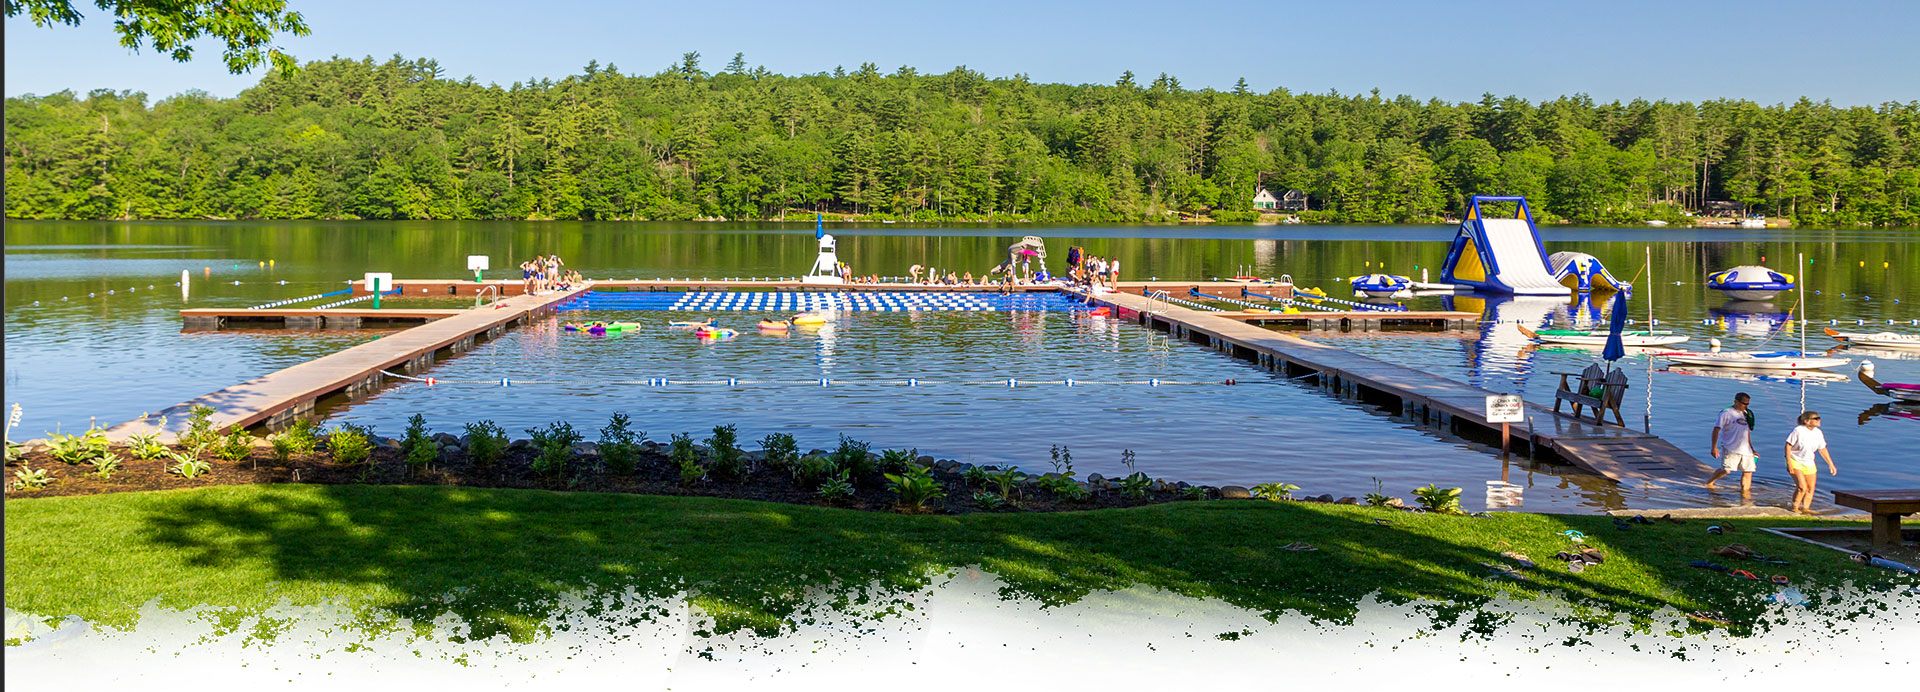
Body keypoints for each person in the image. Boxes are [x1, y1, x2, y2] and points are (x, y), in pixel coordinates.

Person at [1705, 392, 1757, 494]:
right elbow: (1716, 430)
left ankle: (1745, 494)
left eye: (1747, 404)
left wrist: (1752, 449)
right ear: (1736, 402)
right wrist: (1714, 447)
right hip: (1731, 447)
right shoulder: (1726, 413)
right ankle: (1710, 482)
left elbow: (1747, 432)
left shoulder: (1747, 414)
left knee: (1748, 472)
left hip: (1746, 449)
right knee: (1727, 470)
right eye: (1743, 403)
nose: (1746, 406)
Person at [1784, 411, 1836, 513]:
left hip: (1809, 462)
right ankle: (1795, 508)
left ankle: (1806, 509)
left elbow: (1822, 449)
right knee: (1802, 487)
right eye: (1816, 418)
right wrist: (1789, 462)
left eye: (1818, 418)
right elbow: (1788, 445)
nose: (1819, 420)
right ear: (1807, 421)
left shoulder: (1818, 433)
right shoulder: (1798, 430)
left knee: (1810, 489)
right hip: (1795, 460)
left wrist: (1831, 464)